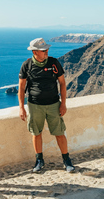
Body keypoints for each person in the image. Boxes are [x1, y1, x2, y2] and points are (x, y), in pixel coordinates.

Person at [18, 38, 75, 173]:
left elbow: (62, 83)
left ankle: (67, 160)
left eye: (47, 49)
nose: (47, 52)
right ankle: (39, 160)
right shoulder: (27, 65)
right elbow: (21, 87)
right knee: (36, 133)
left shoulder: (54, 63)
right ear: (35, 52)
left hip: (54, 104)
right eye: (44, 50)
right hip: (34, 105)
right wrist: (21, 107)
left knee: (59, 133)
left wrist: (63, 104)